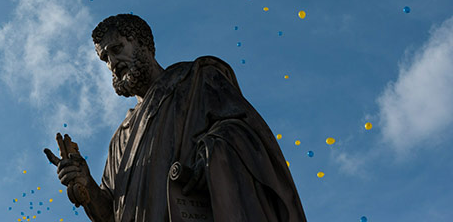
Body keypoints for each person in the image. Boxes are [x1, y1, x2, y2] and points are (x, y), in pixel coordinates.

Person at [44, 14, 307, 222]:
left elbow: (249, 134)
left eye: (117, 48)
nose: (112, 62)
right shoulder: (119, 140)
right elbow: (112, 213)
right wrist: (86, 183)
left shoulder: (196, 80)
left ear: (145, 45)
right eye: (105, 58)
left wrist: (212, 157)